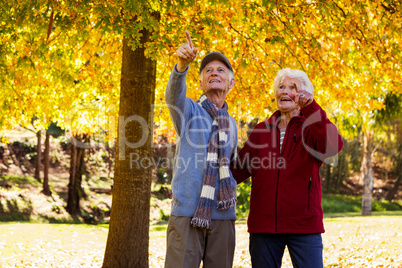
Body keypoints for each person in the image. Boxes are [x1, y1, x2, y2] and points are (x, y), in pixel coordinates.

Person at [230, 68, 344, 268]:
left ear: (304, 95)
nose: (284, 91)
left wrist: (312, 108)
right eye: (280, 87)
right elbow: (235, 171)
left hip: (304, 226)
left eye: (292, 87)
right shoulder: (260, 131)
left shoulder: (311, 129)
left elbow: (333, 145)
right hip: (263, 227)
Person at [164, 31, 238, 268]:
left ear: (231, 82)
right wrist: (181, 67)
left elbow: (232, 166)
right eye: (208, 70)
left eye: (221, 70)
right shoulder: (189, 112)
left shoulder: (233, 125)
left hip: (223, 217)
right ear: (200, 83)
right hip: (187, 214)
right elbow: (173, 96)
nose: (214, 72)